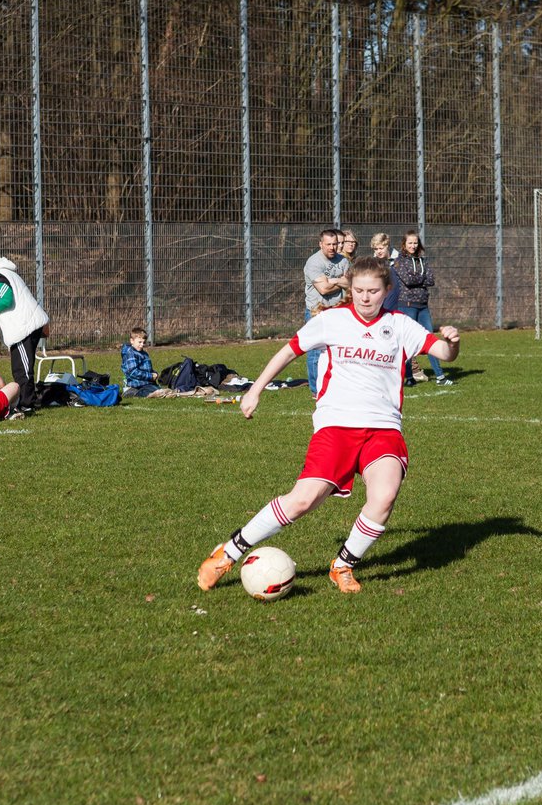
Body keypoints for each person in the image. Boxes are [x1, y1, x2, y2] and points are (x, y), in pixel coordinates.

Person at [197, 256, 461, 594]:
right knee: (303, 501)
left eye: (373, 291)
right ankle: (228, 552)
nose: (366, 297)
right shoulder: (332, 321)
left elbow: (442, 351)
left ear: (387, 291)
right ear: (351, 289)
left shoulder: (399, 325)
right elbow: (288, 352)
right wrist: (255, 389)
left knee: (384, 495)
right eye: (359, 290)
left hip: (383, 428)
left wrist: (452, 343)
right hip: (336, 425)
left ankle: (343, 566)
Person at [0, 250, 50, 417]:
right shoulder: (2, 273)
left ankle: (27, 405)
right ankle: (25, 402)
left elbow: (7, 299)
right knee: (19, 368)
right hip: (24, 325)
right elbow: (4, 301)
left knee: (22, 368)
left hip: (25, 326)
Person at [392, 230, 452, 386]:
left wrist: (418, 277)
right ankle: (409, 377)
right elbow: (408, 280)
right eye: (410, 243)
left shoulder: (422, 260)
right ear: (404, 244)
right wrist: (421, 278)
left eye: (415, 242)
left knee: (430, 339)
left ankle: (440, 376)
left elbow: (431, 279)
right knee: (407, 341)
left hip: (423, 305)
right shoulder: (399, 261)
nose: (413, 245)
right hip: (407, 305)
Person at [302, 229, 350, 395]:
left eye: (334, 244)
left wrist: (333, 281)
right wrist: (340, 281)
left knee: (339, 350)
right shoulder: (314, 262)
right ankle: (316, 390)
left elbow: (349, 283)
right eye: (328, 244)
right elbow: (323, 288)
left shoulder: (343, 260)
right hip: (317, 311)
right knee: (315, 352)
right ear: (320, 244)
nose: (332, 247)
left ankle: (336, 384)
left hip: (337, 310)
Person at [121, 326, 159, 398]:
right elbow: (133, 372)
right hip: (136, 384)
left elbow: (148, 369)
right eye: (139, 342)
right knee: (151, 391)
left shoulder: (144, 353)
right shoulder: (130, 354)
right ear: (132, 341)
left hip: (146, 382)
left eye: (143, 342)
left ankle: (159, 392)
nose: (142, 345)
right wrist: (150, 376)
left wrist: (154, 373)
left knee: (157, 389)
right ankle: (131, 392)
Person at [370, 232, 403, 313]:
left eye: (381, 248)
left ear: (387, 246)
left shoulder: (399, 259)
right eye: (376, 249)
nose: (378, 251)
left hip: (397, 298)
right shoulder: (373, 262)